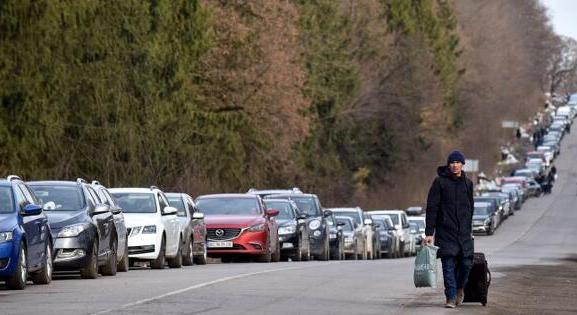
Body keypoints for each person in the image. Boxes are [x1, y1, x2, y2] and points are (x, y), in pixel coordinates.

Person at [424, 150, 474, 308]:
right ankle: (451, 297)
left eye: (458, 162)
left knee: (466, 265)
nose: (455, 165)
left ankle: (459, 288)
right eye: (452, 162)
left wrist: (469, 227)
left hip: (464, 234)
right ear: (448, 165)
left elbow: (470, 207)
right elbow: (432, 208)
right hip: (446, 232)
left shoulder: (468, 183)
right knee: (448, 266)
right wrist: (429, 233)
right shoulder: (440, 183)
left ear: (462, 164)